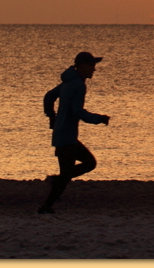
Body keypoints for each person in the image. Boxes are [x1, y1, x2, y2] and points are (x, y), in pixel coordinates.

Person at [38, 51, 111, 214]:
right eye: (91, 66)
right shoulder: (78, 84)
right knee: (89, 163)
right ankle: (54, 185)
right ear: (82, 66)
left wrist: (51, 116)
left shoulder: (68, 82)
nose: (94, 69)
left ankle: (46, 206)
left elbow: (49, 97)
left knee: (66, 174)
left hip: (61, 134)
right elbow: (77, 111)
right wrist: (99, 119)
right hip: (67, 136)